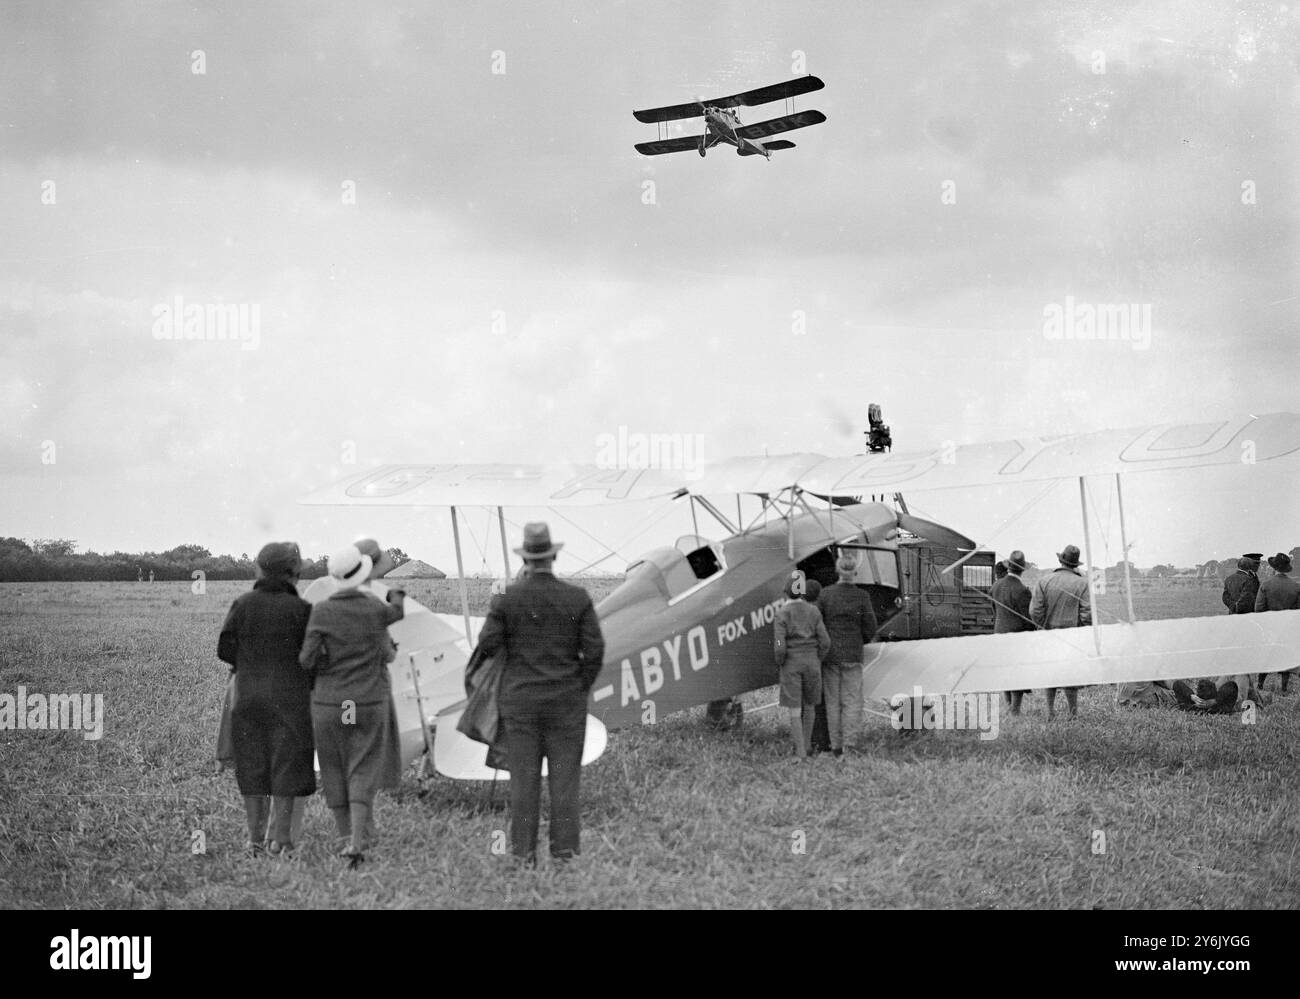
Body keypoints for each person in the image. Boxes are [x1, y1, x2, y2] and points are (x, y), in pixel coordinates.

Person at [477, 523, 605, 865]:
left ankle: (523, 856)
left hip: (520, 704)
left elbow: (488, 644)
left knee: (523, 783)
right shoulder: (577, 597)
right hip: (566, 704)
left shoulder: (506, 599)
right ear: (553, 555)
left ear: (527, 558)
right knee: (565, 783)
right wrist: (578, 685)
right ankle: (564, 855)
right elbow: (594, 651)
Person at [299, 542, 405, 867]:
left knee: (333, 769)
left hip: (331, 703)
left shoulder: (321, 611)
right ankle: (359, 841)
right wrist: (397, 595)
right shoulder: (374, 608)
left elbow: (306, 660)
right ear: (362, 573)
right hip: (367, 700)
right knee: (361, 768)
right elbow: (393, 622)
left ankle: (344, 838)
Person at [217, 542, 314, 856]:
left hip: (248, 698)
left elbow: (224, 649)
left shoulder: (243, 603)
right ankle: (282, 841)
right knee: (288, 769)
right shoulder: (302, 610)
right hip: (291, 701)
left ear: (259, 568)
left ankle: (254, 841)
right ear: (294, 572)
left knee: (253, 770)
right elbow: (311, 657)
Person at [817, 555, 877, 757]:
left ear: (838, 571)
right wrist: (861, 640)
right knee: (852, 701)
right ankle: (850, 746)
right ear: (855, 572)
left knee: (832, 702)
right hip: (852, 654)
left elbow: (818, 625)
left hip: (830, 656)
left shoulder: (825, 595)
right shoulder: (862, 596)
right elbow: (871, 626)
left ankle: (835, 746)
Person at [1030, 544, 1091, 720]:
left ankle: (1050, 712)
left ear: (1061, 560)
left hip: (1048, 634)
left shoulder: (1044, 581)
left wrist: (1042, 626)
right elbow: (1087, 614)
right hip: (1073, 636)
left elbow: (1035, 611)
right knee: (1070, 674)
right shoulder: (1082, 583)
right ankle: (1073, 714)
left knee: (1051, 673)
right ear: (1075, 564)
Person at [774, 574, 831, 759]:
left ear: (786, 593)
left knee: (795, 710)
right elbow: (825, 641)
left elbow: (780, 645)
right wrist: (817, 658)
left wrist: (781, 660)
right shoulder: (813, 611)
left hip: (791, 664)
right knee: (810, 706)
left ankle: (800, 753)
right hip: (812, 663)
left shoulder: (782, 613)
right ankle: (807, 746)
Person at [990, 549, 1034, 715]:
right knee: (1018, 672)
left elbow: (994, 611)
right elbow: (1027, 618)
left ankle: (1009, 704)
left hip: (999, 633)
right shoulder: (1022, 590)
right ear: (1022, 569)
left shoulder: (995, 586)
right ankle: (1015, 708)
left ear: (1008, 567)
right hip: (1017, 637)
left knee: (1004, 670)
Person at [1255, 552, 1300, 694]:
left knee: (1267, 656)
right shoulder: (1296, 586)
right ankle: (1284, 688)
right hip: (1288, 627)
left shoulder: (1266, 585)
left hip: (1270, 627)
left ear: (1274, 568)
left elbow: (1259, 609)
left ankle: (1260, 685)